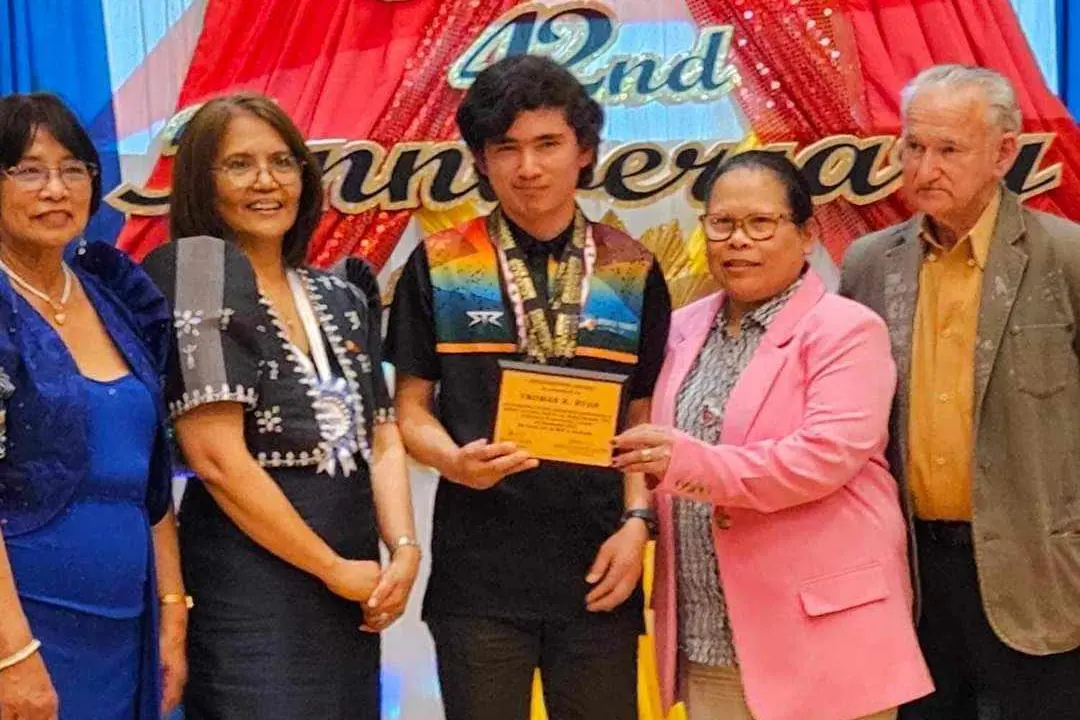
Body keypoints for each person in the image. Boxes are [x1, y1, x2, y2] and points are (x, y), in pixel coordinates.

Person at [385, 55, 671, 720]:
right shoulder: (441, 261)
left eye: (548, 144)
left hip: (600, 567)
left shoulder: (632, 267)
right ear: (481, 161)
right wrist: (451, 461)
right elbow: (410, 410)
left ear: (585, 151)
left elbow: (641, 412)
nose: (528, 168)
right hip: (479, 575)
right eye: (505, 148)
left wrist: (637, 522)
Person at [612, 151, 933, 720]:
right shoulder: (681, 329)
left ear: (807, 235)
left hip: (824, 637)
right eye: (722, 224)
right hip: (709, 637)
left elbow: (822, 458)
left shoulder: (847, 330)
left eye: (761, 224)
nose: (739, 241)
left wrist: (691, 463)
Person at [141, 92, 418, 719]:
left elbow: (383, 437)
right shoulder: (198, 272)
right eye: (239, 165)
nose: (266, 182)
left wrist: (403, 549)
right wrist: (330, 567)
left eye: (282, 162)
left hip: (351, 586)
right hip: (252, 589)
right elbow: (215, 460)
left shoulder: (342, 292)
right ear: (201, 185)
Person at [840, 64, 1080, 719]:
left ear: (1004, 153)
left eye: (949, 149)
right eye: (914, 146)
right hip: (913, 576)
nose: (925, 167)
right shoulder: (867, 264)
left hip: (1040, 577)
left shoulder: (1065, 256)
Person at [0, 93, 186, 719]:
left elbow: (151, 483)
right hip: (25, 628)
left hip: (127, 629)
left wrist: (172, 612)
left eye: (72, 168)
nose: (54, 188)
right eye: (27, 169)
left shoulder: (114, 295)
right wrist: (13, 653)